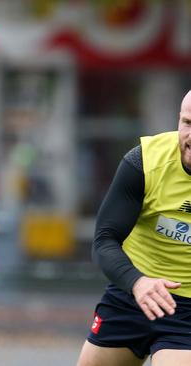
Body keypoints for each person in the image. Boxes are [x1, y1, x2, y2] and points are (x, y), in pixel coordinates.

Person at [76, 89, 191, 366]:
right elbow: (104, 240)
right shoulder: (144, 161)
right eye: (187, 123)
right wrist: (137, 282)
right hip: (133, 293)